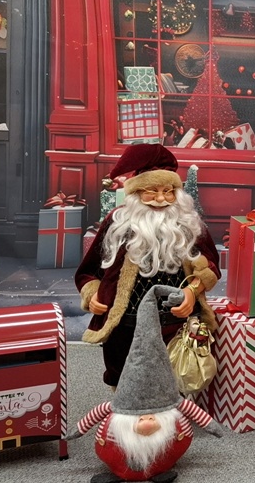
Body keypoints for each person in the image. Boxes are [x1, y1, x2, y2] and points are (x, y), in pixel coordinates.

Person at [75, 143, 221, 389]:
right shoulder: (117, 222)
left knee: (173, 381)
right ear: (136, 192)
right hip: (126, 323)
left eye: (168, 191)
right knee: (124, 379)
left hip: (175, 323)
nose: (161, 199)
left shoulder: (188, 223)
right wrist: (92, 294)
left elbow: (211, 265)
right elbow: (88, 271)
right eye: (151, 191)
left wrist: (192, 291)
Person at [67, 285, 225, 483]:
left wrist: (192, 290)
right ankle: (126, 470)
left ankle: (156, 469)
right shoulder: (166, 405)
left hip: (171, 318)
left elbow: (93, 417)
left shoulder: (149, 405)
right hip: (124, 318)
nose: (147, 420)